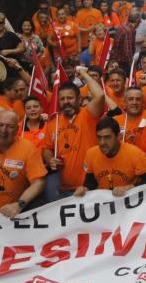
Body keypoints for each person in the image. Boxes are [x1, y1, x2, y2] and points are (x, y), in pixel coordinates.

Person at [41, 66, 105, 200]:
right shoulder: (54, 121)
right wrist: (49, 159)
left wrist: (84, 74)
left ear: (79, 99)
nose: (66, 102)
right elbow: (47, 148)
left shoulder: (88, 114)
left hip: (92, 186)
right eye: (62, 99)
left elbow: (99, 95)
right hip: (65, 189)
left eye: (70, 98)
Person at [74, 117, 146, 197]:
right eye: (99, 137)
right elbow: (90, 182)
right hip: (106, 203)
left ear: (118, 136)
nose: (102, 143)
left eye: (107, 137)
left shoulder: (135, 154)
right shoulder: (91, 154)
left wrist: (130, 187)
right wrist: (84, 189)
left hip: (130, 202)